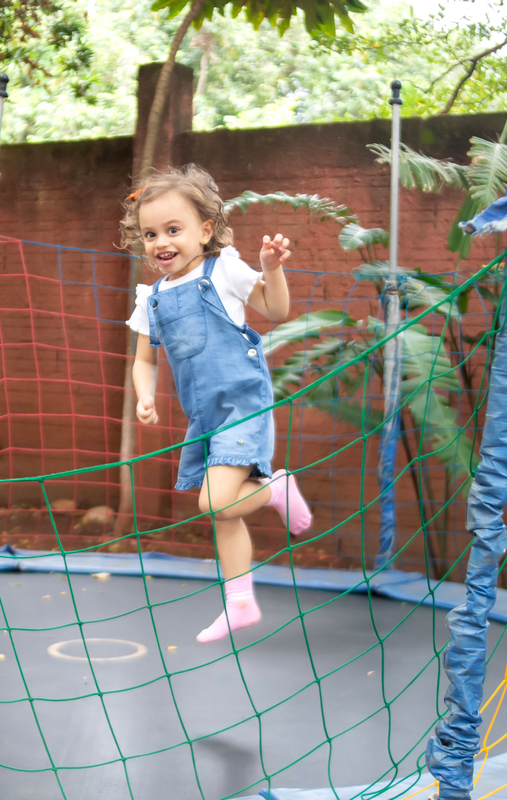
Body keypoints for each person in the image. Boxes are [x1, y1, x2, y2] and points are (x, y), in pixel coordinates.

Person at [121, 165, 312, 643]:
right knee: (223, 512)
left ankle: (276, 490)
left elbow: (275, 309)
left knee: (215, 501)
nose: (161, 241)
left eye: (173, 229)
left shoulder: (221, 268)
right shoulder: (153, 299)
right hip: (203, 416)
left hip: (243, 403)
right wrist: (145, 395)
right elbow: (144, 361)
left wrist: (272, 268)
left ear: (205, 230)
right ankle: (240, 601)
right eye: (150, 233)